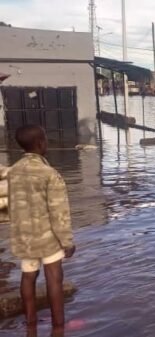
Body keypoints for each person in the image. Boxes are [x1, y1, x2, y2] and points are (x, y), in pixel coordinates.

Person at [8, 125, 75, 329]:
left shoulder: (14, 171)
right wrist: (67, 242)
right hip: (47, 238)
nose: (47, 143)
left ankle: (31, 323)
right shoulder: (49, 174)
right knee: (54, 278)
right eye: (45, 139)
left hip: (24, 238)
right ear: (39, 144)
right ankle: (59, 325)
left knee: (28, 277)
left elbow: (13, 206)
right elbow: (59, 212)